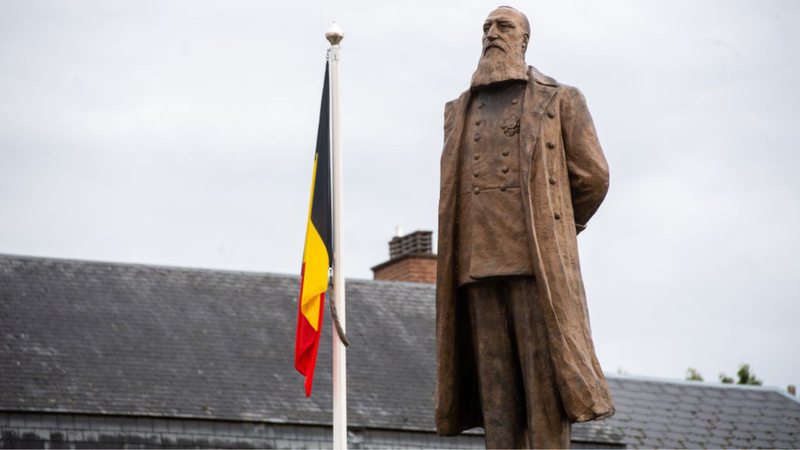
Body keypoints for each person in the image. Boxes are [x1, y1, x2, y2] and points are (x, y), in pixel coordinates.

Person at [434, 6, 615, 449]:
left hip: (536, 267)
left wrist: (558, 228)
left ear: (523, 41)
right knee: (497, 401)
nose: (491, 34)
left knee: (544, 393)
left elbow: (593, 177)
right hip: (476, 268)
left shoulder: (560, 100)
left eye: (503, 27)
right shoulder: (457, 110)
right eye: (486, 28)